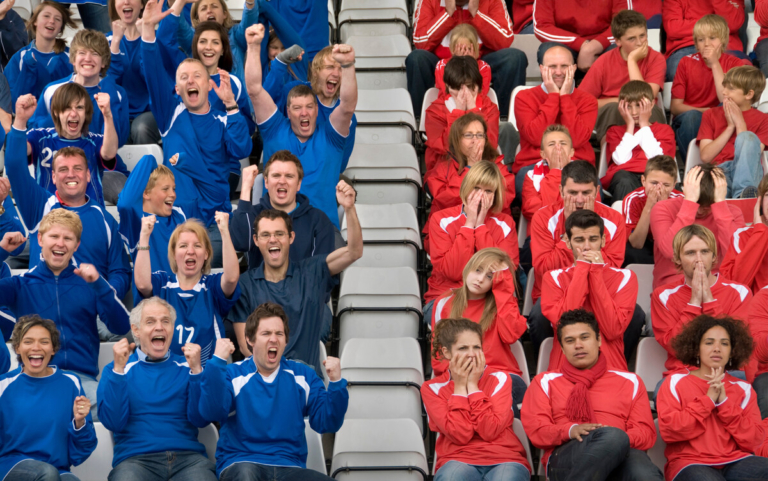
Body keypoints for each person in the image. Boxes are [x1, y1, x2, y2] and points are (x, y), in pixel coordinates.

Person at [141, 0, 253, 267]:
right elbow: (153, 69)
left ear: (208, 84)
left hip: (214, 226)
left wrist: (231, 106)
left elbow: (242, 150)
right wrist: (147, 27)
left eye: (197, 76)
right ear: (177, 89)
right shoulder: (170, 115)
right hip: (176, 223)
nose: (190, 81)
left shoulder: (224, 118)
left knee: (205, 260)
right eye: (183, 78)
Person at [0, 209, 130, 418]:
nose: (60, 243)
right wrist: (2, 251)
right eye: (54, 236)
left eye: (67, 238)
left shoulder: (91, 283)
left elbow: (121, 327)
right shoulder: (21, 283)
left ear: (76, 245)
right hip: (35, 379)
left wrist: (100, 285)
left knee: (114, 412)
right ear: (40, 239)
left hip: (81, 382)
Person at [194, 303, 347, 481]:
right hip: (242, 463)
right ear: (250, 340)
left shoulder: (304, 375)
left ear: (286, 341)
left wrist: (336, 384)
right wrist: (217, 362)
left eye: (279, 334)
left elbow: (327, 423)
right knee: (245, 475)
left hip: (289, 467)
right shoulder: (232, 374)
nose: (273, 339)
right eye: (266, 334)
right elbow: (211, 412)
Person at [229, 181, 361, 373]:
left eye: (279, 234)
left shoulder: (313, 271)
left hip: (305, 384)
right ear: (256, 241)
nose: (273, 239)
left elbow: (354, 252)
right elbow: (246, 347)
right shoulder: (246, 284)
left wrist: (349, 208)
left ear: (291, 237)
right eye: (265, 235)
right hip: (263, 384)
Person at [8, 96, 132, 299]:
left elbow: (121, 271)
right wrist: (20, 120)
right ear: (54, 177)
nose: (71, 174)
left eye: (78, 169)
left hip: (93, 316)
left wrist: (105, 295)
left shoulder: (104, 219)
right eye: (63, 169)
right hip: (46, 317)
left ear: (89, 174)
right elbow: (13, 165)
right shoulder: (41, 206)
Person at [522, 309, 662, 481]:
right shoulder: (545, 381)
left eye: (584, 337)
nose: (578, 345)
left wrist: (613, 441)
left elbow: (645, 433)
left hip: (622, 452)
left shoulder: (630, 381)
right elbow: (537, 430)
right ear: (563, 349)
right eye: (570, 341)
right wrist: (571, 430)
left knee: (643, 473)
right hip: (565, 456)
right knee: (614, 438)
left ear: (599, 340)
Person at [245, 23, 355, 229]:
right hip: (277, 229)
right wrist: (254, 47)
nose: (304, 113)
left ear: (317, 111)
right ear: (287, 110)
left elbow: (347, 106)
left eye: (309, 107)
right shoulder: (277, 125)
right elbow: (255, 91)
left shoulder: (332, 135)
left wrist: (348, 66)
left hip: (321, 232)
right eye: (297, 107)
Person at [97, 297, 217, 481]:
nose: (159, 327)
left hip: (188, 459)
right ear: (136, 330)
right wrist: (118, 372)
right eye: (150, 322)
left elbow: (201, 420)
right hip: (136, 461)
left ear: (171, 329)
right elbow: (114, 423)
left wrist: (197, 372)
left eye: (165, 321)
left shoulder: (188, 366)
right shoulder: (116, 369)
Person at [657, 314, 768, 481]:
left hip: (736, 461)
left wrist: (724, 403)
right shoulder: (674, 382)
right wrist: (708, 401)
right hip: (690, 463)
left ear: (732, 352)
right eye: (709, 343)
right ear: (696, 349)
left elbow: (754, 440)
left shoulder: (743, 388)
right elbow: (670, 431)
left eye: (724, 344)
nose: (717, 348)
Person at [529, 161, 626, 349]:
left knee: (636, 315)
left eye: (586, 193)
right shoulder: (543, 218)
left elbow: (613, 268)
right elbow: (543, 269)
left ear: (597, 191)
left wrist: (588, 227)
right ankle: (544, 361)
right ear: (561, 190)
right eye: (573, 193)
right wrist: (570, 233)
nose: (580, 200)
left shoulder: (614, 219)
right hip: (557, 291)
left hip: (601, 290)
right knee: (538, 315)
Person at [423, 317, 531, 480]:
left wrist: (473, 386)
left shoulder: (500, 378)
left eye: (476, 347)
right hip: (457, 460)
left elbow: (489, 430)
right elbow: (460, 434)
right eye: (463, 348)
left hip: (505, 458)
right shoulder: (432, 388)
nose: (472, 354)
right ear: (446, 352)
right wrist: (459, 387)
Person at [431, 249, 527, 416]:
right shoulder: (444, 302)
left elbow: (511, 335)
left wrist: (504, 290)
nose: (481, 279)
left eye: (490, 276)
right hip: (459, 376)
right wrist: (464, 376)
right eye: (478, 270)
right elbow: (439, 355)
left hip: (499, 375)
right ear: (469, 267)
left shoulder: (502, 302)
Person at [541, 210, 641, 371]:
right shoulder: (552, 278)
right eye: (579, 240)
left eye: (593, 239)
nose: (587, 247)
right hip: (564, 371)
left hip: (611, 369)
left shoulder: (625, 277)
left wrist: (595, 272)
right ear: (567, 242)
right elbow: (566, 323)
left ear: (603, 240)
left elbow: (612, 329)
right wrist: (582, 270)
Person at [652, 225, 752, 386]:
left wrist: (709, 300)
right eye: (691, 253)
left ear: (714, 256)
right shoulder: (663, 295)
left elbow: (736, 344)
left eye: (705, 252)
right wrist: (694, 302)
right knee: (662, 390)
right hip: (685, 374)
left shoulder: (739, 292)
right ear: (677, 258)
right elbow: (675, 346)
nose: (699, 259)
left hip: (730, 373)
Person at [0, 315, 97, 481]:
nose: (36, 347)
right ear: (17, 348)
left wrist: (80, 422)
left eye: (44, 342)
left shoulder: (71, 382)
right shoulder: (3, 384)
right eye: (28, 341)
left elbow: (81, 451)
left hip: (57, 469)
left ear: (53, 349)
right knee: (47, 474)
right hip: (11, 467)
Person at [135, 215, 240, 366]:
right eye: (183, 246)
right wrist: (144, 236)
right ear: (174, 254)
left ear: (206, 254)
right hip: (167, 375)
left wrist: (224, 231)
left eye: (197, 246)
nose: (190, 251)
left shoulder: (211, 286)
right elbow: (143, 284)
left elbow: (230, 278)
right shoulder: (163, 283)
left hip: (206, 375)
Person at [408, 0, 527, 117]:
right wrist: (447, 13)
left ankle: (503, 122)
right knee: (417, 59)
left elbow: (505, 40)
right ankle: (420, 124)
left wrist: (476, 13)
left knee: (514, 58)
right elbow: (420, 41)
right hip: (442, 60)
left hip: (481, 59)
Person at [425, 160, 519, 305]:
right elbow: (453, 271)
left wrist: (480, 225)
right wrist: (469, 224)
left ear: (496, 195)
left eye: (488, 191)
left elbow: (502, 273)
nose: (481, 196)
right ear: (466, 188)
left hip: (489, 299)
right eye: (476, 188)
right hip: (448, 295)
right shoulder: (441, 219)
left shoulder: (505, 224)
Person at [230, 152, 335, 270]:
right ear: (266, 182)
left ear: (299, 184)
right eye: (276, 175)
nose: (282, 181)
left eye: (289, 176)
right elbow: (239, 242)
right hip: (260, 287)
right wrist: (246, 187)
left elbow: (322, 272)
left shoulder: (318, 220)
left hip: (303, 287)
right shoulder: (253, 214)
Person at [263, 43, 358, 174]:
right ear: (315, 71)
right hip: (283, 175)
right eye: (330, 67)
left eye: (341, 68)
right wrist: (280, 62)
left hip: (319, 182)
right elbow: (263, 102)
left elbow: (339, 163)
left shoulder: (347, 117)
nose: (336, 74)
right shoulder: (294, 91)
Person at [30, 29, 131, 148]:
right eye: (82, 53)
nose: (88, 59)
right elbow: (35, 132)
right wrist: (59, 112)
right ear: (73, 59)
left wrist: (110, 98)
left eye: (95, 53)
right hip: (60, 158)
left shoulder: (117, 93)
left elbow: (119, 141)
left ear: (103, 62)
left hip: (100, 161)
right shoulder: (53, 90)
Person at [650, 164, 745, 289]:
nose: (699, 211)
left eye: (706, 206)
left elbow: (737, 256)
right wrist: (689, 203)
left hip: (719, 286)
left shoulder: (732, 213)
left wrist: (720, 206)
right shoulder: (663, 208)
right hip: (675, 287)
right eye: (697, 204)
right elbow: (670, 252)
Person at [671, 14, 752, 162]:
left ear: (723, 40)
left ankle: (721, 165)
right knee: (693, 117)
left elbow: (725, 99)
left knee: (726, 107)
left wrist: (715, 64)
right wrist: (706, 111)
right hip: (692, 119)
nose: (706, 44)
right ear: (696, 43)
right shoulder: (686, 62)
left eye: (712, 38)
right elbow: (675, 107)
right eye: (701, 40)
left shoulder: (735, 63)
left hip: (722, 119)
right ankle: (695, 169)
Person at [513, 46, 596, 185]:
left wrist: (564, 97)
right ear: (541, 68)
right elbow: (536, 138)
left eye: (564, 66)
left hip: (577, 165)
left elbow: (576, 140)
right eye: (552, 66)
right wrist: (553, 96)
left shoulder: (587, 100)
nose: (558, 72)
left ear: (574, 68)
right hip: (534, 164)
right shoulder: (524, 97)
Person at [25, 83, 118, 208]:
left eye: (79, 108)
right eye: (67, 108)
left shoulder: (95, 141)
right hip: (50, 217)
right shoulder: (40, 137)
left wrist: (107, 115)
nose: (74, 114)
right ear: (57, 112)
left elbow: (109, 154)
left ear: (86, 113)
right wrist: (20, 120)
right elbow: (17, 153)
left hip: (89, 216)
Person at [579, 10, 667, 143]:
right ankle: (613, 159)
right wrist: (621, 103)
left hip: (645, 114)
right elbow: (582, 102)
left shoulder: (656, 59)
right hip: (612, 116)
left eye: (642, 35)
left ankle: (652, 160)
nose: (639, 43)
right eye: (632, 38)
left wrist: (632, 61)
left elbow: (645, 97)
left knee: (649, 108)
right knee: (613, 109)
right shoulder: (604, 61)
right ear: (618, 41)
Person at [425, 113, 515, 230]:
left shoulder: (498, 167)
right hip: (451, 230)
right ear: (457, 140)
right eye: (468, 135)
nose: (475, 140)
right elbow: (448, 202)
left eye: (479, 135)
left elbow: (503, 201)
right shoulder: (443, 169)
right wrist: (471, 168)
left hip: (491, 229)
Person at [117, 155, 200, 279]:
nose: (173, 194)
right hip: (151, 295)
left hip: (181, 293)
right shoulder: (137, 219)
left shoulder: (181, 213)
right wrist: (150, 159)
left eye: (174, 189)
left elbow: (214, 196)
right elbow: (125, 203)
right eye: (165, 189)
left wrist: (187, 163)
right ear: (145, 193)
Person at [697, 66, 768, 199]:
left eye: (730, 88)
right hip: (719, 170)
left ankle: (743, 194)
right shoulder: (710, 114)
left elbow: (752, 155)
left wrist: (740, 123)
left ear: (749, 94)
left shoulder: (764, 119)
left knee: (748, 137)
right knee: (714, 177)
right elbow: (706, 156)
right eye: (724, 86)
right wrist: (730, 127)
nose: (723, 92)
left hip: (750, 173)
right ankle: (743, 198)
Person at [107, 0, 170, 145]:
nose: (126, 1)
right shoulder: (106, 40)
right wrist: (115, 43)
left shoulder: (155, 38)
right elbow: (109, 84)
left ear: (142, 5)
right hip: (119, 112)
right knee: (113, 128)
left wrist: (145, 38)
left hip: (151, 111)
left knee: (141, 128)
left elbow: (152, 78)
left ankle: (150, 167)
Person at [603, 80, 675, 202]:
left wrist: (644, 124)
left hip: (654, 175)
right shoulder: (614, 131)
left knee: (658, 182)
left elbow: (659, 161)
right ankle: (626, 221)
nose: (634, 112)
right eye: (628, 106)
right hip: (624, 176)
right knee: (624, 180)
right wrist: (630, 126)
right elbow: (620, 160)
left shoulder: (664, 130)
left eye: (638, 105)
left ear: (651, 104)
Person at [425, 56, 499, 173]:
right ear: (448, 86)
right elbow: (444, 148)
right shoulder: (435, 110)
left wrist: (473, 110)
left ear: (478, 86)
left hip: (481, 167)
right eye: (457, 87)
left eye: (470, 87)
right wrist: (458, 112)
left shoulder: (490, 108)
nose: (464, 92)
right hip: (446, 170)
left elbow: (490, 146)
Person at [5, 1, 75, 110]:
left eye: (57, 19)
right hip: (27, 122)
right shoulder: (19, 58)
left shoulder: (71, 57)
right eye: (46, 16)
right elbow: (10, 103)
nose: (51, 21)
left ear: (60, 28)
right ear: (35, 21)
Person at [170, 0, 261, 83]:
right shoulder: (192, 38)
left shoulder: (236, 36)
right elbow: (177, 21)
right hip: (202, 99)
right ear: (197, 18)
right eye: (203, 8)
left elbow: (249, 20)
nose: (209, 10)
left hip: (236, 99)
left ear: (224, 14)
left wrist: (250, 2)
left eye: (214, 6)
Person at [663, 0, 748, 81]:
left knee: (744, 74)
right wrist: (714, 24)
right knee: (678, 69)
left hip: (725, 47)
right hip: (686, 47)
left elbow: (733, 23)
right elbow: (673, 28)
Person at [622, 154, 683, 265]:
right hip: (644, 243)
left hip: (670, 244)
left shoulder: (681, 200)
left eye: (666, 185)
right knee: (629, 251)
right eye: (654, 183)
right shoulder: (633, 199)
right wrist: (649, 206)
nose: (659, 188)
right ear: (643, 181)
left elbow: (676, 242)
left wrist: (664, 206)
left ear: (674, 185)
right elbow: (636, 243)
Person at [532, 0, 626, 71]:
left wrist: (593, 47)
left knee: (620, 50)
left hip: (603, 42)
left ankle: (613, 96)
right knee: (550, 50)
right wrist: (581, 44)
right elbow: (542, 26)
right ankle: (557, 95)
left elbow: (624, 23)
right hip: (566, 42)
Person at [521, 125, 575, 235]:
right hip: (540, 235)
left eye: (563, 144)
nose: (558, 148)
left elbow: (587, 208)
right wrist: (556, 172)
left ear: (572, 152)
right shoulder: (531, 176)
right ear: (543, 154)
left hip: (575, 235)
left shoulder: (585, 173)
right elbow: (533, 211)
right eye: (551, 144)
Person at [721, 174, 768, 293]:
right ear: (760, 201)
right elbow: (735, 287)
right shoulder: (742, 236)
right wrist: (759, 234)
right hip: (754, 308)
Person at [434, 24, 491, 97]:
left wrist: (471, 64)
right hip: (447, 106)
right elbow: (447, 92)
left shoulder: (484, 67)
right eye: (460, 49)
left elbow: (480, 94)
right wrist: (456, 63)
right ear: (452, 48)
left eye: (469, 49)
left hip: (476, 107)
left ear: (476, 48)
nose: (464, 54)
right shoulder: (442, 65)